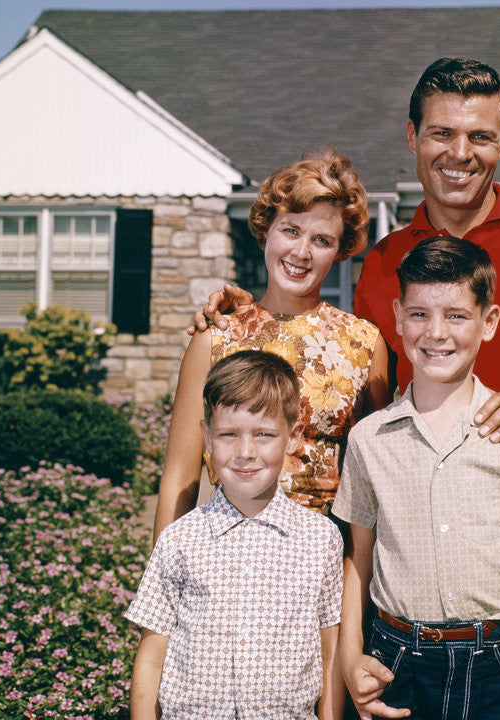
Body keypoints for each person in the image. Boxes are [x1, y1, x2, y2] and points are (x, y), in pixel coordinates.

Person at [193, 58, 500, 720]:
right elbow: (335, 351)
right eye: (441, 133)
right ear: (412, 137)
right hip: (413, 509)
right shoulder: (384, 262)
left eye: (480, 137)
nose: (459, 154)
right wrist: (244, 311)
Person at [334, 237, 500, 720]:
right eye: (419, 314)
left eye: (457, 316)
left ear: (489, 322)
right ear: (398, 316)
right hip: (395, 661)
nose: (436, 332)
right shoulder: (368, 439)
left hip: (496, 664)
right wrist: (349, 655)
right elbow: (358, 559)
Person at [155, 149, 389, 543]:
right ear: (267, 229)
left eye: (322, 240)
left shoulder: (363, 344)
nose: (301, 252)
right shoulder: (217, 336)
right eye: (291, 231)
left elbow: (376, 484)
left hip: (323, 559)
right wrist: (160, 583)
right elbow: (180, 475)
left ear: (340, 250)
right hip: (227, 551)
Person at [127, 350, 345, 720]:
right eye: (228, 434)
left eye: (263, 435)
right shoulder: (179, 540)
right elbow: (151, 657)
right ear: (207, 437)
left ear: (292, 437)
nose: (245, 452)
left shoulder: (321, 540)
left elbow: (330, 655)